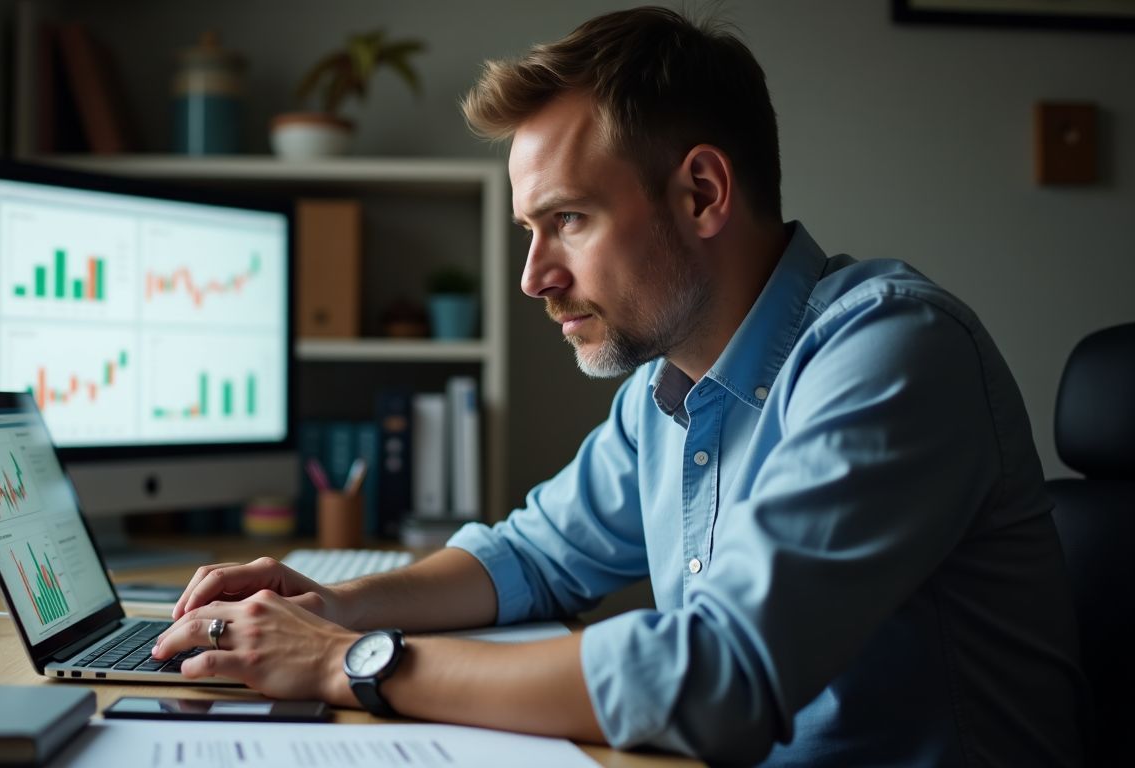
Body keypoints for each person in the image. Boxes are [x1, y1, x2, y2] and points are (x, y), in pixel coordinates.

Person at [152, 7, 1086, 765]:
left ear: (704, 194)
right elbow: (532, 558)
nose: (532, 276)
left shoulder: (891, 353)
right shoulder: (663, 396)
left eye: (567, 219)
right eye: (530, 228)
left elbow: (720, 676)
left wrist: (354, 663)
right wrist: (330, 606)